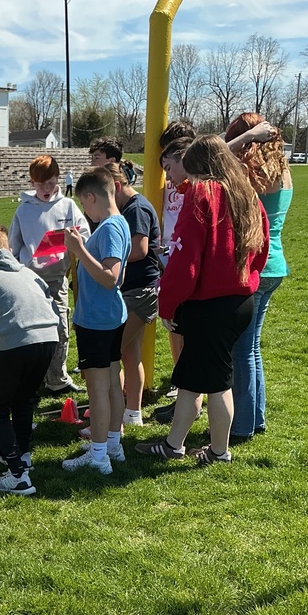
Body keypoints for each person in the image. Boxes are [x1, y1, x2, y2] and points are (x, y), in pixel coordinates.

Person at [135, 135, 269, 466]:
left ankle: (219, 452)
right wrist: (247, 277)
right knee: (195, 378)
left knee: (216, 382)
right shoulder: (247, 194)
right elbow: (261, 247)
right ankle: (175, 444)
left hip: (210, 304)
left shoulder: (203, 193)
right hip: (240, 299)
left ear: (198, 168)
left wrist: (167, 304)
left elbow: (185, 261)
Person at [0, 225, 59, 497]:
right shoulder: (30, 273)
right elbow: (50, 305)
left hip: (18, 343)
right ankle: (23, 455)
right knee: (23, 399)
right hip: (49, 339)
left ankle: (18, 475)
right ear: (8, 249)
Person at [225, 113, 293, 441]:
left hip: (255, 267)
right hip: (275, 266)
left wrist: (245, 137)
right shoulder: (282, 170)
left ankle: (240, 427)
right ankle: (256, 418)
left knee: (241, 351)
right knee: (251, 347)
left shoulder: (248, 174)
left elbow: (212, 157)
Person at [61, 167, 131, 475]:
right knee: (112, 384)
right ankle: (113, 446)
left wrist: (78, 250)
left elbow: (110, 277)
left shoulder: (110, 228)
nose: (84, 211)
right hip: (108, 317)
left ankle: (100, 454)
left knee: (98, 390)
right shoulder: (118, 224)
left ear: (91, 197)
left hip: (97, 321)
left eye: (84, 204)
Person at [8, 154, 90, 394]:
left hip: (58, 277)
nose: (47, 188)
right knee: (32, 330)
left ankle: (57, 377)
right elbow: (14, 245)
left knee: (61, 328)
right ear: (32, 183)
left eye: (51, 182)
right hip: (31, 279)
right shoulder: (24, 211)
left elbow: (84, 234)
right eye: (41, 183)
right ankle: (32, 377)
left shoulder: (67, 206)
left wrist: (70, 241)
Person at [104, 161, 161, 427]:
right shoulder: (130, 206)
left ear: (116, 186)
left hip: (140, 291)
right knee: (130, 354)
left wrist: (108, 259)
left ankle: (109, 416)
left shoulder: (136, 208)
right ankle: (132, 414)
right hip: (137, 290)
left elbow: (139, 249)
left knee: (110, 351)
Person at [151, 131, 197, 424]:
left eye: (168, 166)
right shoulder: (183, 188)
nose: (167, 175)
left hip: (188, 270)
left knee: (190, 336)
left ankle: (188, 406)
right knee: (178, 332)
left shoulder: (199, 191)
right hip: (173, 260)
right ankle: (185, 393)